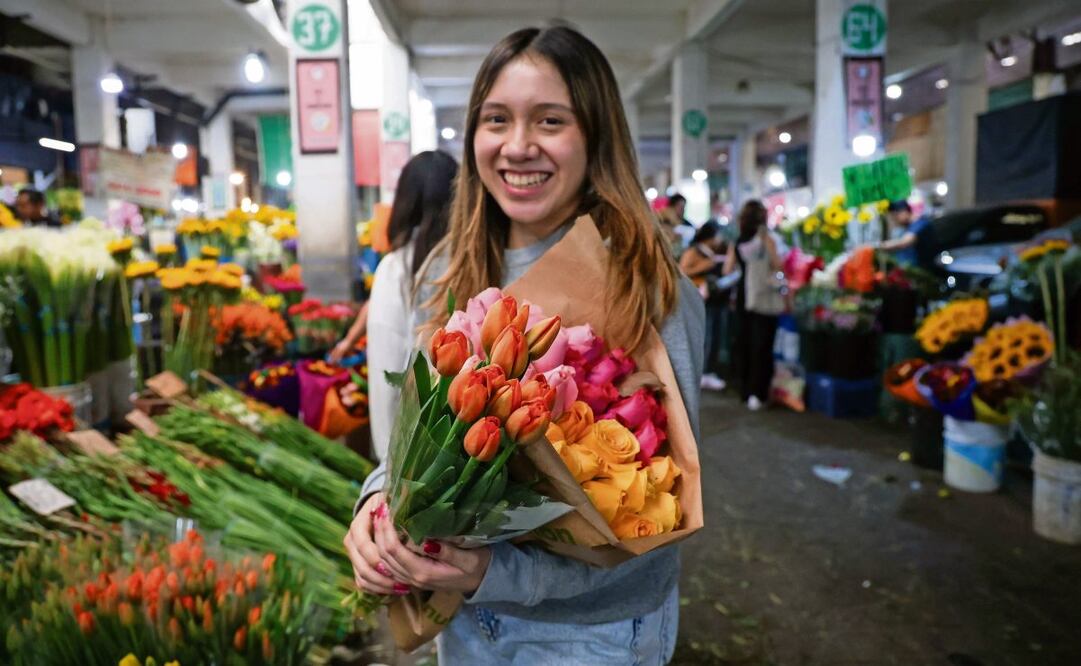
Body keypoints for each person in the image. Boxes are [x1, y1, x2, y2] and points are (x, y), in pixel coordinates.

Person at [343, 25, 704, 664]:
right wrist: (376, 503)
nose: (517, 146)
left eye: (550, 121)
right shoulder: (445, 271)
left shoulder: (642, 285)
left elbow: (661, 521)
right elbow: (408, 436)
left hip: (589, 635)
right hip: (464, 625)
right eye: (496, 119)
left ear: (595, 136)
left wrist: (500, 575)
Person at [334, 150, 459, 462]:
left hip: (413, 446)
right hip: (465, 435)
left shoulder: (397, 267)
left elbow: (389, 369)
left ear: (405, 200)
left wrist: (391, 460)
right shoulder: (471, 258)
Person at [724, 200, 784, 411]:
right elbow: (777, 264)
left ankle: (745, 391)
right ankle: (758, 393)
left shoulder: (737, 241)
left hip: (743, 295)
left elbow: (727, 269)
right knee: (763, 346)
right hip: (762, 296)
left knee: (745, 343)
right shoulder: (765, 238)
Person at [679, 220, 727, 391]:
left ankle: (709, 371)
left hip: (715, 300)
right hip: (700, 300)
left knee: (714, 336)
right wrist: (706, 265)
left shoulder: (713, 253)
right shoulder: (694, 252)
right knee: (705, 336)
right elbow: (682, 271)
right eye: (718, 235)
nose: (720, 240)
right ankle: (703, 372)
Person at [874, 199, 931, 267]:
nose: (895, 221)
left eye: (895, 217)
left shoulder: (920, 224)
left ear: (904, 212)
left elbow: (904, 242)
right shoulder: (910, 227)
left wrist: (877, 246)